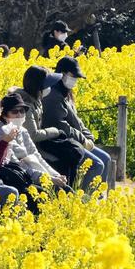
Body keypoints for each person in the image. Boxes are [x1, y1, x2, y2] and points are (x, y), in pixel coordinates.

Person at [42, 56, 110, 190]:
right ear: (62, 73)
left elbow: (76, 120)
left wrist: (88, 136)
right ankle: (82, 199)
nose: (75, 80)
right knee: (96, 164)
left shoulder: (66, 93)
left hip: (76, 139)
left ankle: (97, 198)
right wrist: (83, 140)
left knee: (106, 158)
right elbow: (59, 124)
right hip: (60, 141)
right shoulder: (53, 94)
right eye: (73, 76)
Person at [9, 65, 83, 186]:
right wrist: (55, 131)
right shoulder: (26, 106)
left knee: (74, 152)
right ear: (38, 87)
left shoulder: (36, 101)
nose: (50, 88)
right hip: (31, 150)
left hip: (36, 147)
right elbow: (33, 135)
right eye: (47, 85)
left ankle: (68, 190)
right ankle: (64, 191)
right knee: (68, 156)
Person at [0, 92, 68, 194]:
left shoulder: (22, 130)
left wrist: (55, 175)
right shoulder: (2, 133)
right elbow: (18, 166)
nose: (19, 115)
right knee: (57, 192)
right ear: (4, 115)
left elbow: (37, 156)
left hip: (36, 174)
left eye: (22, 111)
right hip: (21, 179)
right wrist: (49, 179)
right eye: (14, 112)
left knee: (66, 189)